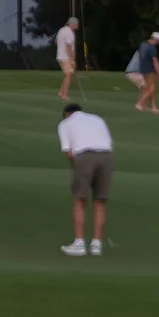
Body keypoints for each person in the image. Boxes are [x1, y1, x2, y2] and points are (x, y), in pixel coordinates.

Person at [58, 103, 114, 256]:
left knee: (80, 200)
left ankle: (79, 243)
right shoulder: (97, 119)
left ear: (67, 114)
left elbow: (69, 152)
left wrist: (75, 167)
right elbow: (108, 142)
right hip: (106, 157)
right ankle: (97, 245)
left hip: (84, 156)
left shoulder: (65, 123)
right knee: (100, 201)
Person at [128, 32, 159, 114]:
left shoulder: (143, 44)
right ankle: (140, 103)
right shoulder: (152, 48)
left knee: (149, 88)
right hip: (149, 70)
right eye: (158, 41)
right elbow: (155, 62)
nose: (157, 43)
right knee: (151, 88)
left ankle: (153, 107)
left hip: (142, 70)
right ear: (155, 39)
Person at [55, 17, 80, 101]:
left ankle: (61, 92)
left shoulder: (61, 30)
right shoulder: (69, 33)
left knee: (69, 74)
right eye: (76, 25)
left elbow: (56, 41)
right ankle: (64, 95)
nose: (77, 26)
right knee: (69, 74)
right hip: (65, 57)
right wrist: (72, 60)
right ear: (72, 24)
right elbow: (68, 47)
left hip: (60, 56)